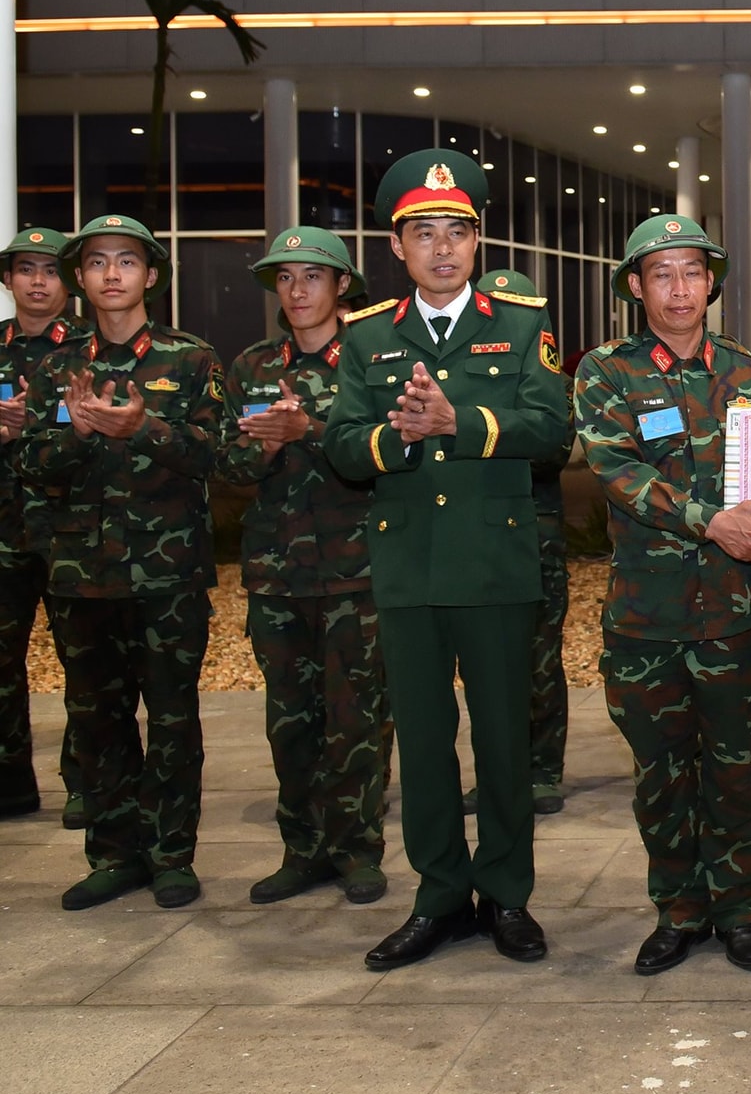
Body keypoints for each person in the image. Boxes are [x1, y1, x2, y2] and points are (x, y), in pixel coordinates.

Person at [323, 149, 572, 969]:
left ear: (478, 241)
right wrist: (399, 436)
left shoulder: (522, 322)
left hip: (495, 566)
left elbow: (551, 432)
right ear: (397, 248)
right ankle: (438, 899)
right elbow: (341, 447)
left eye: (455, 233)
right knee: (424, 745)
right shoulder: (367, 338)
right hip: (409, 570)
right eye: (422, 233)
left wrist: (458, 422)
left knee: (504, 740)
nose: (441, 249)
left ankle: (505, 895)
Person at [575, 214, 751, 975]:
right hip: (647, 615)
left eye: (692, 272)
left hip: (735, 610)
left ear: (711, 283)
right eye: (661, 274)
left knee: (735, 768)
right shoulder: (607, 372)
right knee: (660, 773)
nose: (679, 288)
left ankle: (740, 909)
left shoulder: (747, 371)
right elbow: (618, 473)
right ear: (636, 287)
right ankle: (679, 909)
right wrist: (711, 523)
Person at [21, 215, 223, 910]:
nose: (112, 273)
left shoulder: (191, 359)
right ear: (80, 279)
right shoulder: (54, 366)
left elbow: (217, 457)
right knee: (97, 719)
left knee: (171, 720)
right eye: (98, 262)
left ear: (151, 276)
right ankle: (113, 854)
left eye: (127, 261)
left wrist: (147, 427)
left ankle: (171, 855)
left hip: (168, 575)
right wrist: (73, 435)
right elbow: (31, 465)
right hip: (83, 574)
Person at [216, 227, 390, 905]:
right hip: (276, 573)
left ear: (341, 285)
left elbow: (385, 456)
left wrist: (309, 432)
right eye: (285, 279)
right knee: (290, 720)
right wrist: (259, 450)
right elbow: (228, 468)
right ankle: (302, 849)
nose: (297, 290)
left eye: (312, 277)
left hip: (357, 572)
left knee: (358, 720)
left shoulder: (372, 363)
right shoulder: (253, 368)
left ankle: (357, 850)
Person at [461, 268, 574, 819]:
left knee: (540, 660)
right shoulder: (460, 377)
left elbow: (550, 450)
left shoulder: (549, 382)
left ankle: (543, 771)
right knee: (486, 665)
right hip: (479, 536)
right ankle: (496, 774)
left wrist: (479, 430)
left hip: (537, 536)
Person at [0, 228, 84, 822]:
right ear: (7, 280)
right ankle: (10, 783)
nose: (37, 281)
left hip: (68, 530)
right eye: (25, 269)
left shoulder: (89, 350)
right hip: (2, 532)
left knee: (85, 662)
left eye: (50, 270)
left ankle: (87, 784)